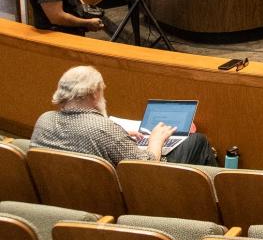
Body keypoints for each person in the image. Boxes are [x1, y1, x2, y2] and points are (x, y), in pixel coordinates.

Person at [31, 65, 216, 166]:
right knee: (197, 141)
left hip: (61, 193)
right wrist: (155, 142)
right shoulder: (102, 129)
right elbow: (146, 165)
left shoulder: (44, 120)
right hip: (117, 195)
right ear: (94, 93)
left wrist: (119, 135)